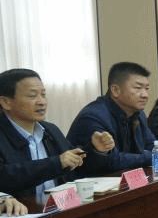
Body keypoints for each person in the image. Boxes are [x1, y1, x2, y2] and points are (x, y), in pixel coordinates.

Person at [0, 67, 100, 206]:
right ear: (6, 102)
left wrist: (94, 149)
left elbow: (74, 167)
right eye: (32, 96)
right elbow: (5, 176)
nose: (41, 102)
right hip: (22, 215)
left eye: (43, 95)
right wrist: (57, 163)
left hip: (61, 209)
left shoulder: (50, 130)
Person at [68, 61, 158, 174]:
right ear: (115, 90)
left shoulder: (137, 113)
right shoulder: (94, 116)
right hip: (91, 183)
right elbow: (112, 161)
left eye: (146, 88)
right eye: (138, 88)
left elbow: (150, 145)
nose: (145, 95)